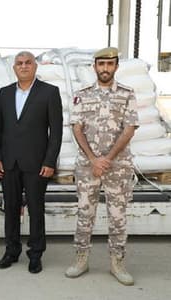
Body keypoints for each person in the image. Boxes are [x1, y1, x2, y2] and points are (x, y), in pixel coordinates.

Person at [65, 47, 138, 286]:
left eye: (110, 64)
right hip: (88, 167)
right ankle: (81, 259)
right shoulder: (82, 94)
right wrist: (94, 159)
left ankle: (118, 262)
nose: (105, 68)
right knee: (85, 214)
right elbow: (76, 127)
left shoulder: (127, 94)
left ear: (116, 66)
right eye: (101, 64)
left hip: (118, 167)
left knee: (117, 217)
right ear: (94, 66)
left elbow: (129, 128)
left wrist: (107, 158)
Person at [0, 51, 63, 274]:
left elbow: (56, 132)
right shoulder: (4, 94)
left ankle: (35, 254)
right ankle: (11, 251)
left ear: (35, 66)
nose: (23, 66)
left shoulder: (49, 93)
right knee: (11, 208)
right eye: (19, 63)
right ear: (14, 68)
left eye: (28, 63)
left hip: (36, 163)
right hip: (9, 163)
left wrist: (50, 161)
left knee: (36, 209)